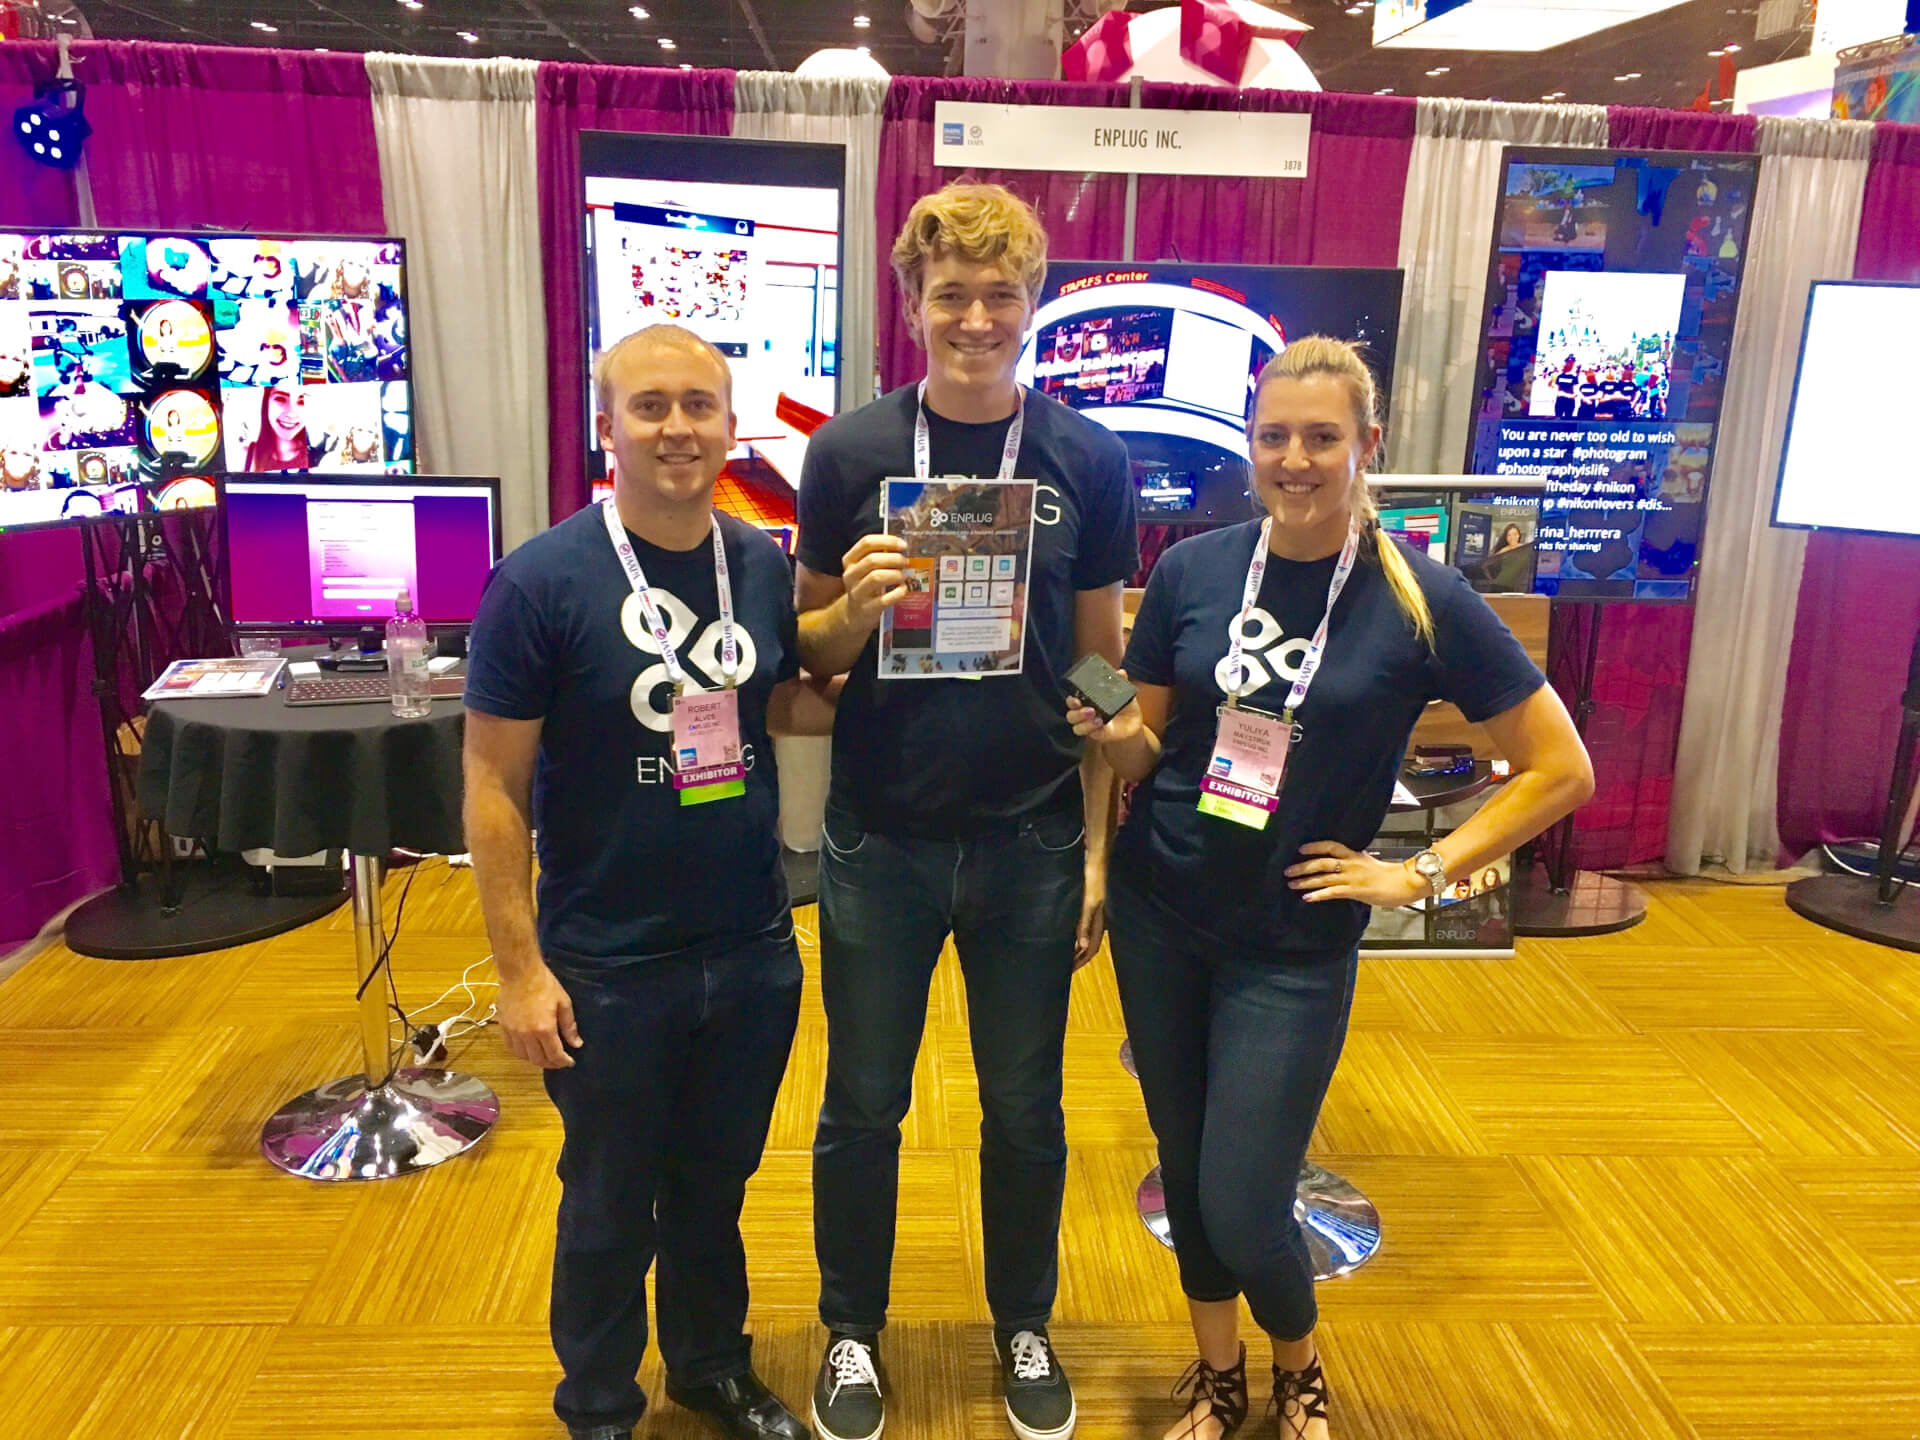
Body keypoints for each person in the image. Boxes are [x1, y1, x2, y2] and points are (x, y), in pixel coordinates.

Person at [1070, 337, 1593, 1440]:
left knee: (1245, 1196)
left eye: (1321, 437)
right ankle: (1216, 1374)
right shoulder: (1190, 571)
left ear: (1369, 447)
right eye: (1273, 436)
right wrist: (1114, 731)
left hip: (1293, 942)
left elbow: (1562, 767)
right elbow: (1147, 749)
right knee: (1183, 1161)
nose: (1294, 459)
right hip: (1166, 917)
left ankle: (1298, 1366)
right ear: (1249, 445)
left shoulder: (1424, 595)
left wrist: (1416, 875)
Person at [795, 182, 1137, 1440]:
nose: (977, 319)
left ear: (1032, 303)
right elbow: (812, 655)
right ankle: (849, 1335)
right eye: (953, 296)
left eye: (1001, 296)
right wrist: (855, 611)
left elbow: (1100, 655)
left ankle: (1024, 1323)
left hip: (1034, 835)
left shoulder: (1088, 459)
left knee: (1027, 1109)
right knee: (863, 1106)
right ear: (913, 305)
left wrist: (1102, 830)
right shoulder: (847, 455)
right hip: (879, 834)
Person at [464, 324, 832, 1440]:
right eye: (652, 407)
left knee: (715, 1189)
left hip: (751, 945)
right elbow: (490, 781)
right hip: (608, 961)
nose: (678, 428)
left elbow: (778, 704)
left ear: (731, 424)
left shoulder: (759, 562)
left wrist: (942, 695)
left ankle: (710, 1365)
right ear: (607, 427)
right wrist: (520, 972)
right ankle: (599, 1404)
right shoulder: (539, 581)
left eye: (700, 406)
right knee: (612, 1203)